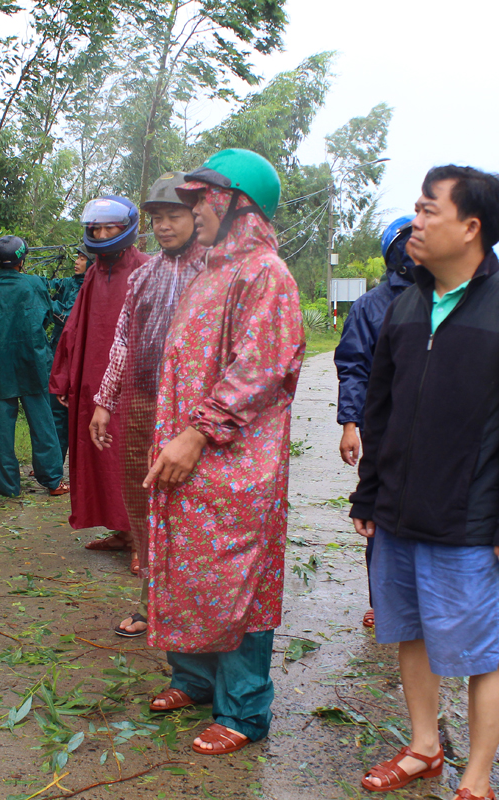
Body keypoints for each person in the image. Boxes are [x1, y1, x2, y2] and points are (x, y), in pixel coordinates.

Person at [350, 165, 499, 799]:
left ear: (471, 228)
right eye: (415, 208)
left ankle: (478, 777)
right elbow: (379, 407)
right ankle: (424, 748)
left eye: (428, 210)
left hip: (469, 520)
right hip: (400, 514)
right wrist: (368, 491)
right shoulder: (407, 304)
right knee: (408, 632)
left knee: (480, 651)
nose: (416, 220)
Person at [141, 149, 305, 757]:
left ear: (241, 203)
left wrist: (197, 432)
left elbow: (258, 370)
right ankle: (196, 679)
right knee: (188, 564)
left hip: (234, 461)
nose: (191, 210)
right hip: (190, 458)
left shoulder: (266, 274)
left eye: (201, 199)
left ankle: (243, 710)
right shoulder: (210, 270)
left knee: (241, 578)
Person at [89, 172, 206, 636]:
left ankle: (195, 601)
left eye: (173, 215)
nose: (163, 226)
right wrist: (104, 401)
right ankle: (149, 597)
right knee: (142, 496)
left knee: (192, 503)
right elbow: (121, 341)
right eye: (157, 217)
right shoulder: (144, 275)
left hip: (194, 408)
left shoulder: (213, 271)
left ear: (196, 216)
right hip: (141, 400)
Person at [48, 196, 149, 552]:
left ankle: (142, 539)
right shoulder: (92, 272)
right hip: (94, 380)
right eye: (97, 228)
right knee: (100, 457)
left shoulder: (146, 268)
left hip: (134, 386)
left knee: (131, 456)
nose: (103, 233)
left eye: (111, 227)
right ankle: (121, 531)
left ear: (128, 229)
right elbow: (75, 326)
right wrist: (63, 375)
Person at [333, 214, 417, 629]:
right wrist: (350, 424)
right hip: (384, 430)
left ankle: (430, 597)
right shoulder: (371, 307)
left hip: (441, 432)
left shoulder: (453, 297)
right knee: (380, 513)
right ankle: (382, 597)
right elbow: (353, 367)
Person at [0, 235, 69, 498]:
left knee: (0, 428)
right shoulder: (34, 284)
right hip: (33, 363)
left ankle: (7, 486)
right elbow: (49, 317)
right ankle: (53, 481)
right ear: (21, 260)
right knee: (43, 422)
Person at [48, 246, 91, 464]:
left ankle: (68, 464)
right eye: (77, 257)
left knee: (72, 411)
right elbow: (48, 286)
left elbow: (66, 318)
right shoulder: (69, 282)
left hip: (80, 357)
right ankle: (54, 464)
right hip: (60, 352)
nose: (77, 261)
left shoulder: (90, 288)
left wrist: (48, 303)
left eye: (82, 258)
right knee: (56, 409)